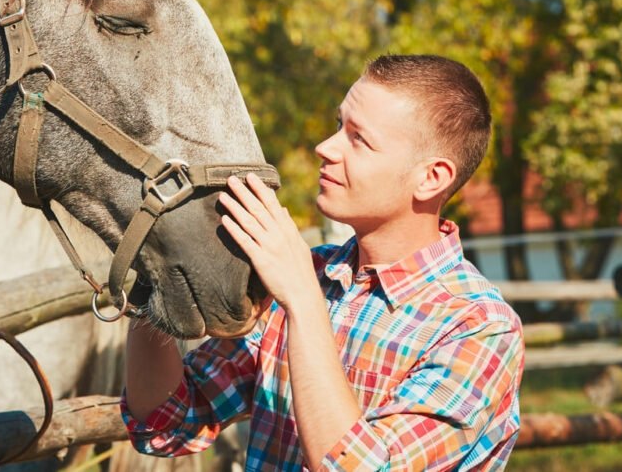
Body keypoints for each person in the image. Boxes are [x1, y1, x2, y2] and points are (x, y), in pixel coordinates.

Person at [122, 54, 525, 471]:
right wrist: (152, 273)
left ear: (431, 179)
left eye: (359, 139)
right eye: (338, 126)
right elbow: (166, 422)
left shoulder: (479, 327)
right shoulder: (309, 276)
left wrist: (302, 299)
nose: (325, 148)